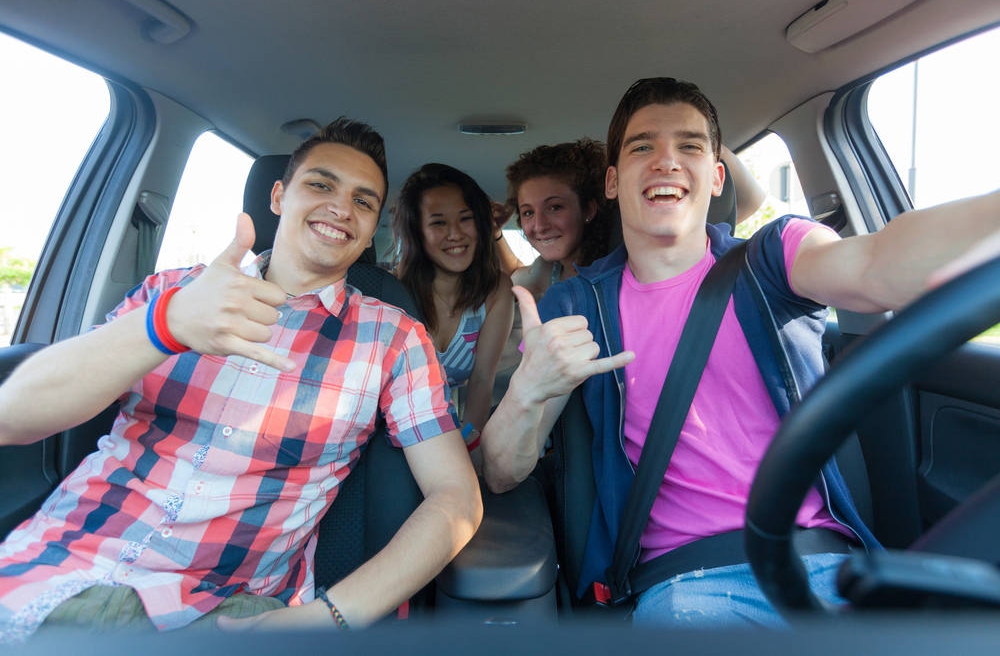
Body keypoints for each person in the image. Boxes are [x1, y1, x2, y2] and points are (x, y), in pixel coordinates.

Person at [479, 77, 1000, 628]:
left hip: (824, 569)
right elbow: (502, 473)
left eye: (689, 146)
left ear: (716, 175)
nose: (666, 162)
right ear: (612, 182)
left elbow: (876, 263)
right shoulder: (577, 305)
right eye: (642, 147)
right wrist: (529, 389)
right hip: (684, 590)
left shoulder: (772, 260)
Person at [0, 118, 482, 642]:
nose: (342, 208)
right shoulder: (173, 292)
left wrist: (333, 615)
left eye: (364, 202)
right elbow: (14, 417)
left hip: (230, 608)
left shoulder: (394, 338)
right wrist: (166, 325)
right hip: (53, 566)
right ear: (278, 197)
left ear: (372, 229)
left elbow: (457, 497)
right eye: (320, 185)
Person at [502, 138, 765, 301]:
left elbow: (752, 199)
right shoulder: (549, 271)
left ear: (589, 210)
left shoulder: (635, 254)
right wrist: (495, 234)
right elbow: (512, 276)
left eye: (555, 207)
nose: (538, 225)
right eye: (527, 213)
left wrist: (701, 140)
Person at [390, 164, 515, 464]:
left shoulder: (497, 290)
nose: (456, 234)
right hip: (389, 437)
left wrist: (468, 444)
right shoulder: (393, 293)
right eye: (438, 223)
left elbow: (483, 380)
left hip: (447, 432)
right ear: (417, 233)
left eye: (465, 219)